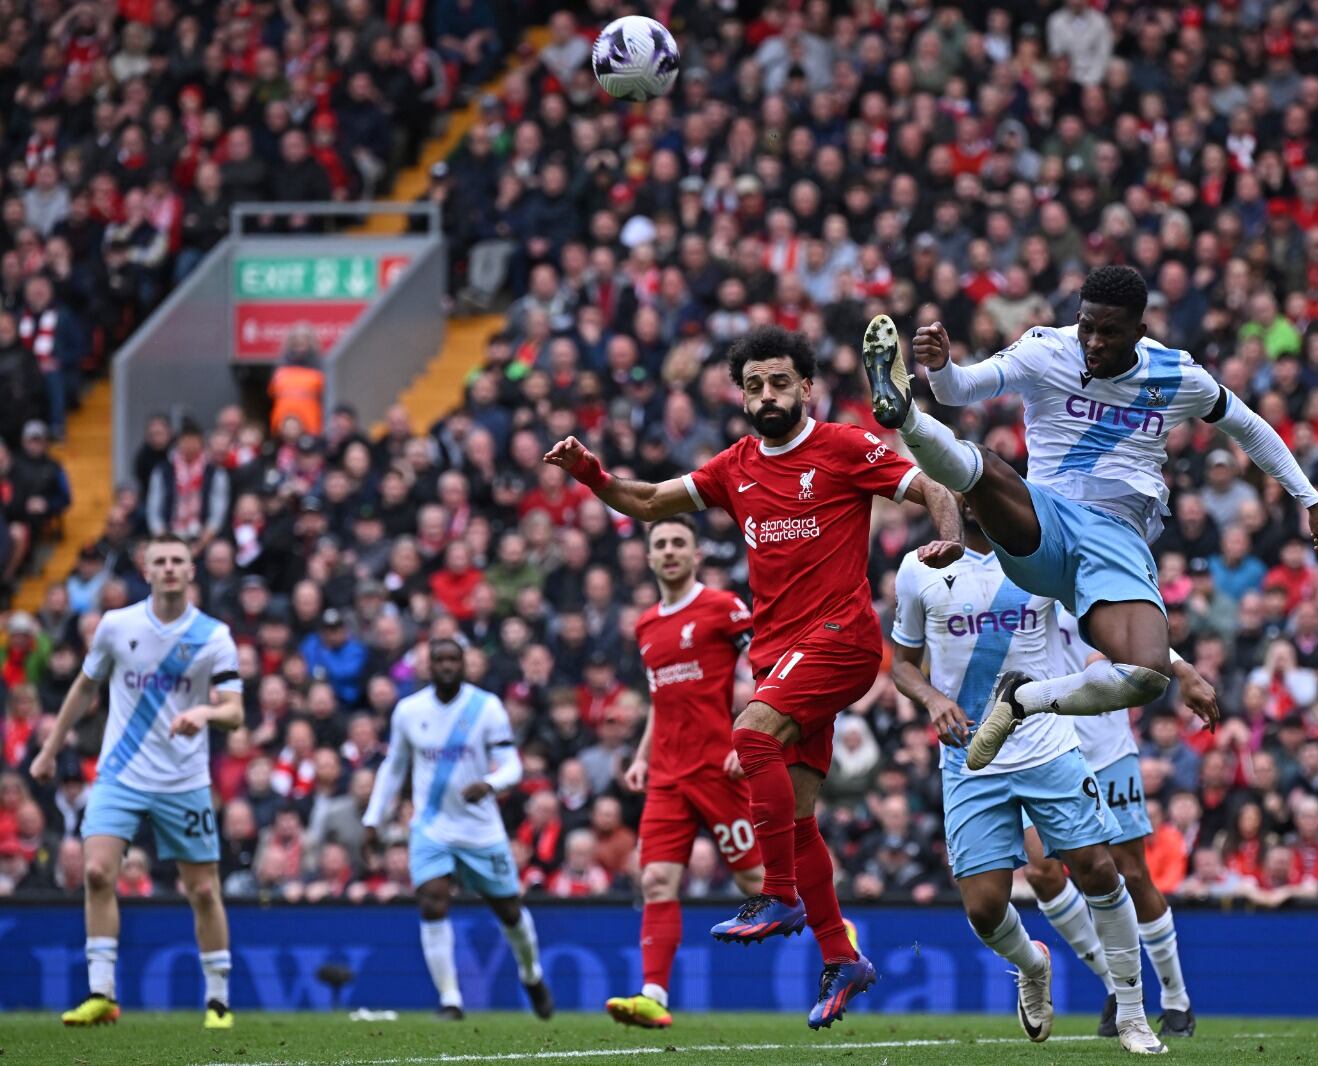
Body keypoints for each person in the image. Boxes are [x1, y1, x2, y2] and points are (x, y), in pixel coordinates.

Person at [545, 325, 961, 1029]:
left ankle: (779, 895)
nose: (766, 395)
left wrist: (945, 535)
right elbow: (649, 503)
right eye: (754, 385)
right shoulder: (733, 466)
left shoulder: (843, 445)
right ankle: (842, 956)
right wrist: (592, 474)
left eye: (779, 382)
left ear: (807, 387)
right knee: (799, 820)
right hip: (779, 654)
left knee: (750, 732)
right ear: (741, 395)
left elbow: (932, 488)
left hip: (841, 638)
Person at [862, 266, 1318, 770]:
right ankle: (906, 418)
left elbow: (1249, 428)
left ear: (1140, 329)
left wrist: (1310, 499)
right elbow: (960, 390)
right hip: (1044, 516)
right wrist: (940, 369)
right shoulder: (1046, 350)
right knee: (984, 469)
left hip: (1117, 537)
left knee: (1147, 675)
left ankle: (1021, 700)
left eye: (1109, 331)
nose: (1092, 341)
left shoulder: (1178, 375)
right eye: (1086, 325)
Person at [890, 499, 1206, 1052]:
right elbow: (900, 662)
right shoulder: (920, 568)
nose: (970, 497)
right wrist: (933, 696)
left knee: (1101, 869)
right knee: (985, 908)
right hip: (969, 756)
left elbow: (1112, 621)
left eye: (978, 484)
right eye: (961, 487)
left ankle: (1133, 1012)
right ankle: (1033, 965)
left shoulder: (1042, 561)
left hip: (1047, 746)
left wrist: (1179, 668)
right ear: (950, 500)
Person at [29, 534, 245, 1028]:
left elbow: (235, 712)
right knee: (98, 872)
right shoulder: (116, 625)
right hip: (120, 773)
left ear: (192, 572)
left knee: (204, 891)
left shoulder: (214, 636)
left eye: (178, 561)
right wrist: (49, 748)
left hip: (183, 778)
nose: (169, 568)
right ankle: (102, 993)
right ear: (146, 571)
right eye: (160, 561)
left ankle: (218, 1002)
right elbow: (86, 686)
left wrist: (205, 713)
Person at [1021, 606, 1213, 1041]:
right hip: (1047, 750)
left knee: (1131, 872)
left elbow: (1134, 637)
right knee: (1041, 872)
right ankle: (1117, 985)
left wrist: (1182, 669)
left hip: (1106, 749)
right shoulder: (1013, 584)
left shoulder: (1076, 582)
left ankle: (1176, 1000)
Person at [604, 515, 766, 1028]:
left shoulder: (723, 608)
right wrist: (641, 758)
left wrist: (752, 734)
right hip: (667, 775)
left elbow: (767, 664)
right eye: (661, 545)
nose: (670, 551)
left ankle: (837, 931)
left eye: (679, 543)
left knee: (755, 882)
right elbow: (661, 698)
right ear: (649, 558)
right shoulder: (646, 624)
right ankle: (654, 995)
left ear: (695, 554)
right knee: (655, 879)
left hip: (719, 766)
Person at [361, 638, 553, 1021]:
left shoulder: (486, 708)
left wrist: (491, 784)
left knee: (509, 911)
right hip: (431, 826)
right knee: (432, 900)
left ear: (464, 664)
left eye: (453, 659)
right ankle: (451, 999)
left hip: (481, 829)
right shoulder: (409, 711)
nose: (447, 666)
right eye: (439, 660)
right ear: (428, 667)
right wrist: (373, 818)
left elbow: (512, 765)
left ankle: (531, 975)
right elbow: (394, 767)